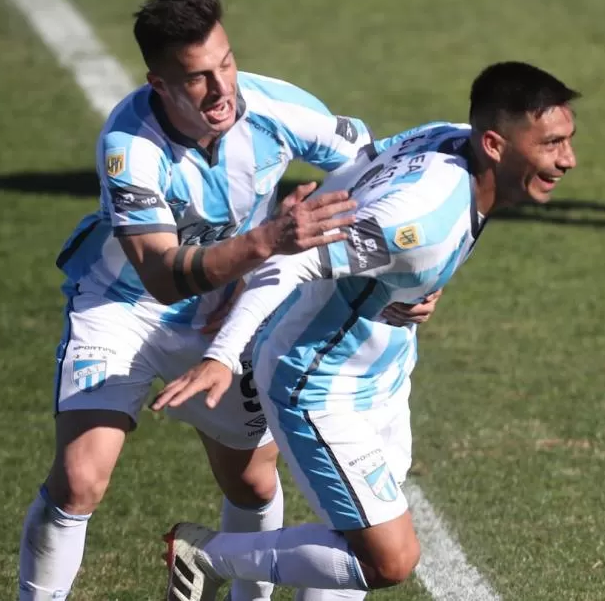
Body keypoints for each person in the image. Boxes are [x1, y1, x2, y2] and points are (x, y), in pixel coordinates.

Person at [17, 0, 440, 601]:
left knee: (251, 486)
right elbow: (161, 276)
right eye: (197, 78)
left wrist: (401, 277)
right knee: (80, 478)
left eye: (227, 62)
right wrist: (267, 240)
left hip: (228, 315)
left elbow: (377, 172)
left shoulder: (274, 107)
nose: (222, 90)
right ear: (160, 85)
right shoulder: (129, 147)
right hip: (123, 311)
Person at [154, 60, 580, 600]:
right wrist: (223, 353)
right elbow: (293, 259)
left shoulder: (450, 139)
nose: (568, 159)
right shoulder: (423, 220)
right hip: (315, 383)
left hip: (382, 372)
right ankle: (206, 556)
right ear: (496, 144)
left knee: (352, 538)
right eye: (552, 144)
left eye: (566, 140)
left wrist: (413, 285)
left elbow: (369, 171)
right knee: (389, 559)